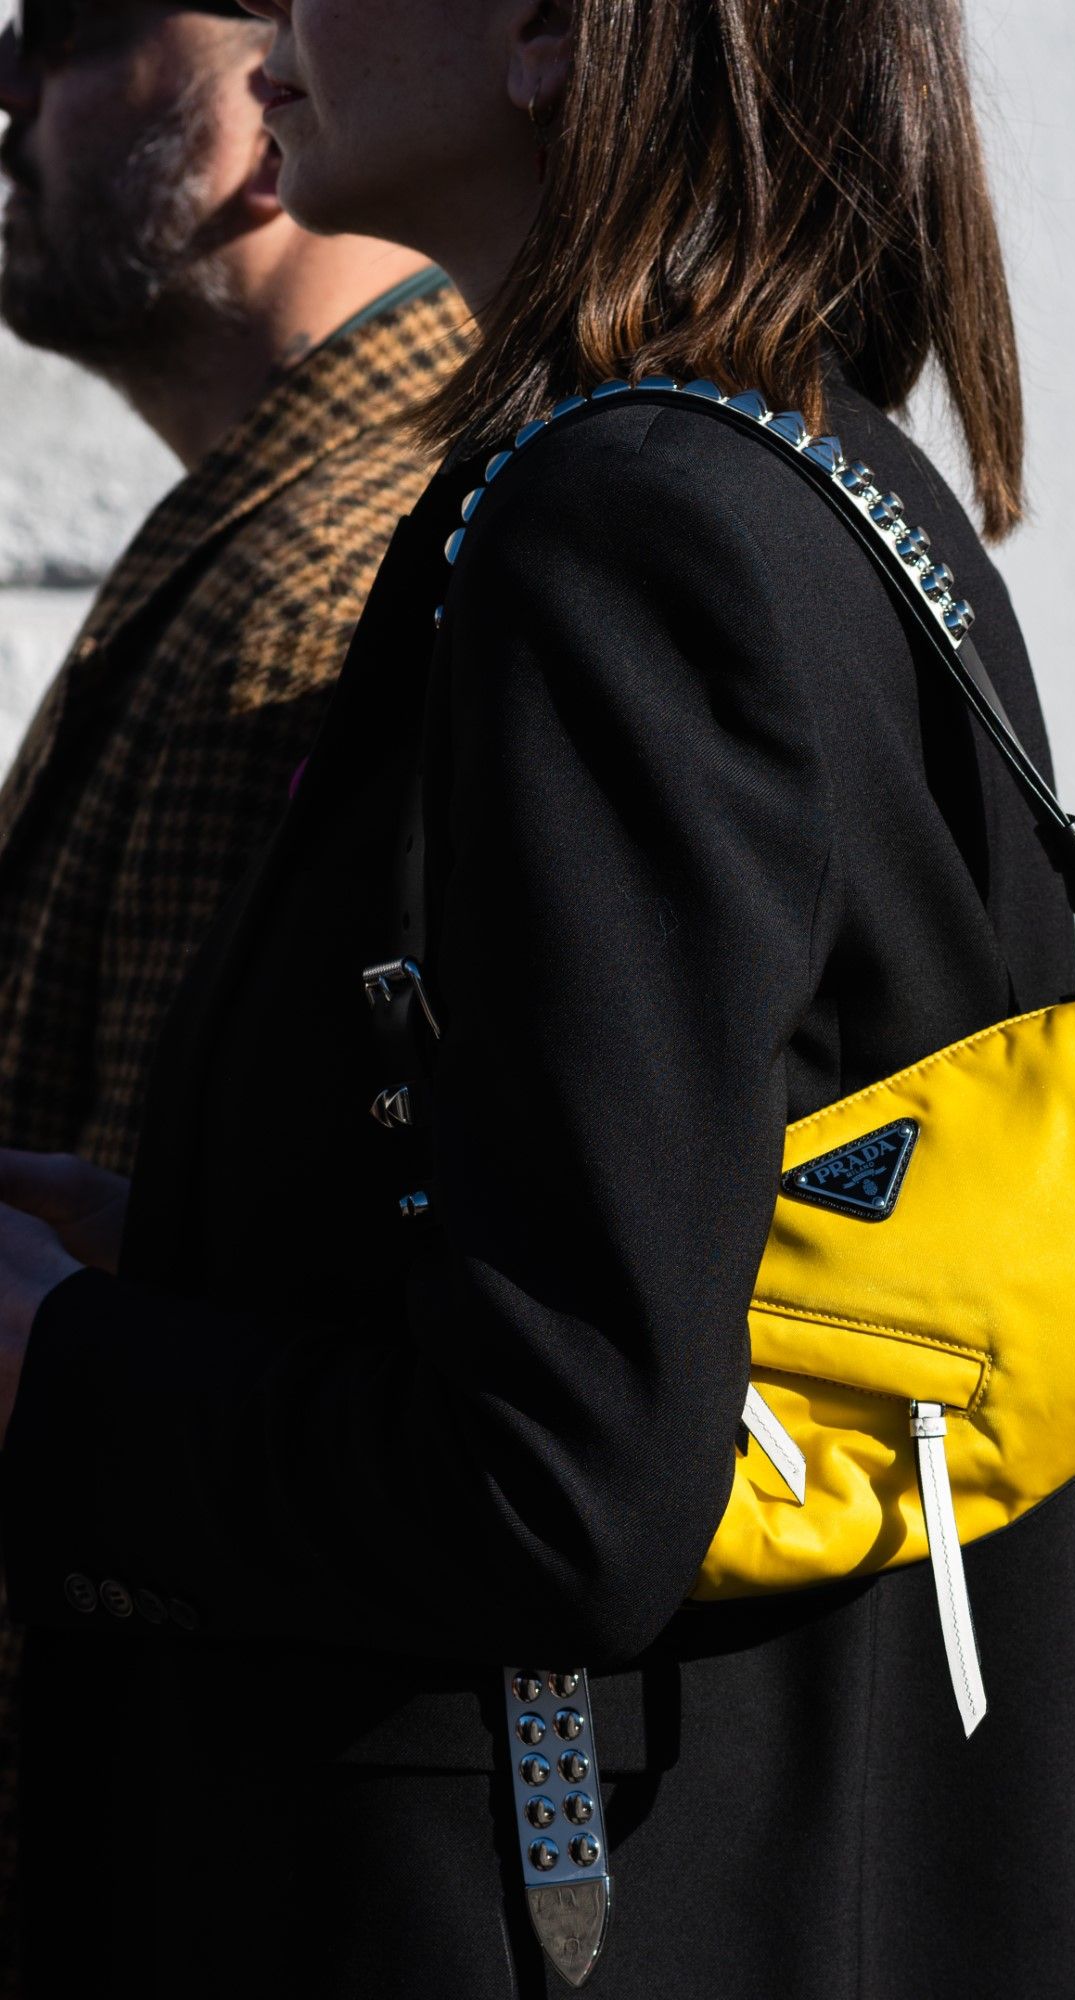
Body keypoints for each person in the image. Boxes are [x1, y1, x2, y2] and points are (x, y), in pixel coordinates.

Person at [0, 1, 1075, 1993]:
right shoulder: (805, 467)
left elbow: (562, 1483)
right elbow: (667, 1254)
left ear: (551, 32)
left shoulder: (617, 526)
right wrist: (182, 1249)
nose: (274, 23)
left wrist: (69, 1375)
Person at [0, 0, 471, 1980]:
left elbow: (152, 1390)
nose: (8, 83)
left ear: (278, 84)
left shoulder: (335, 576)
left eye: (75, 27)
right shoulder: (268, 528)